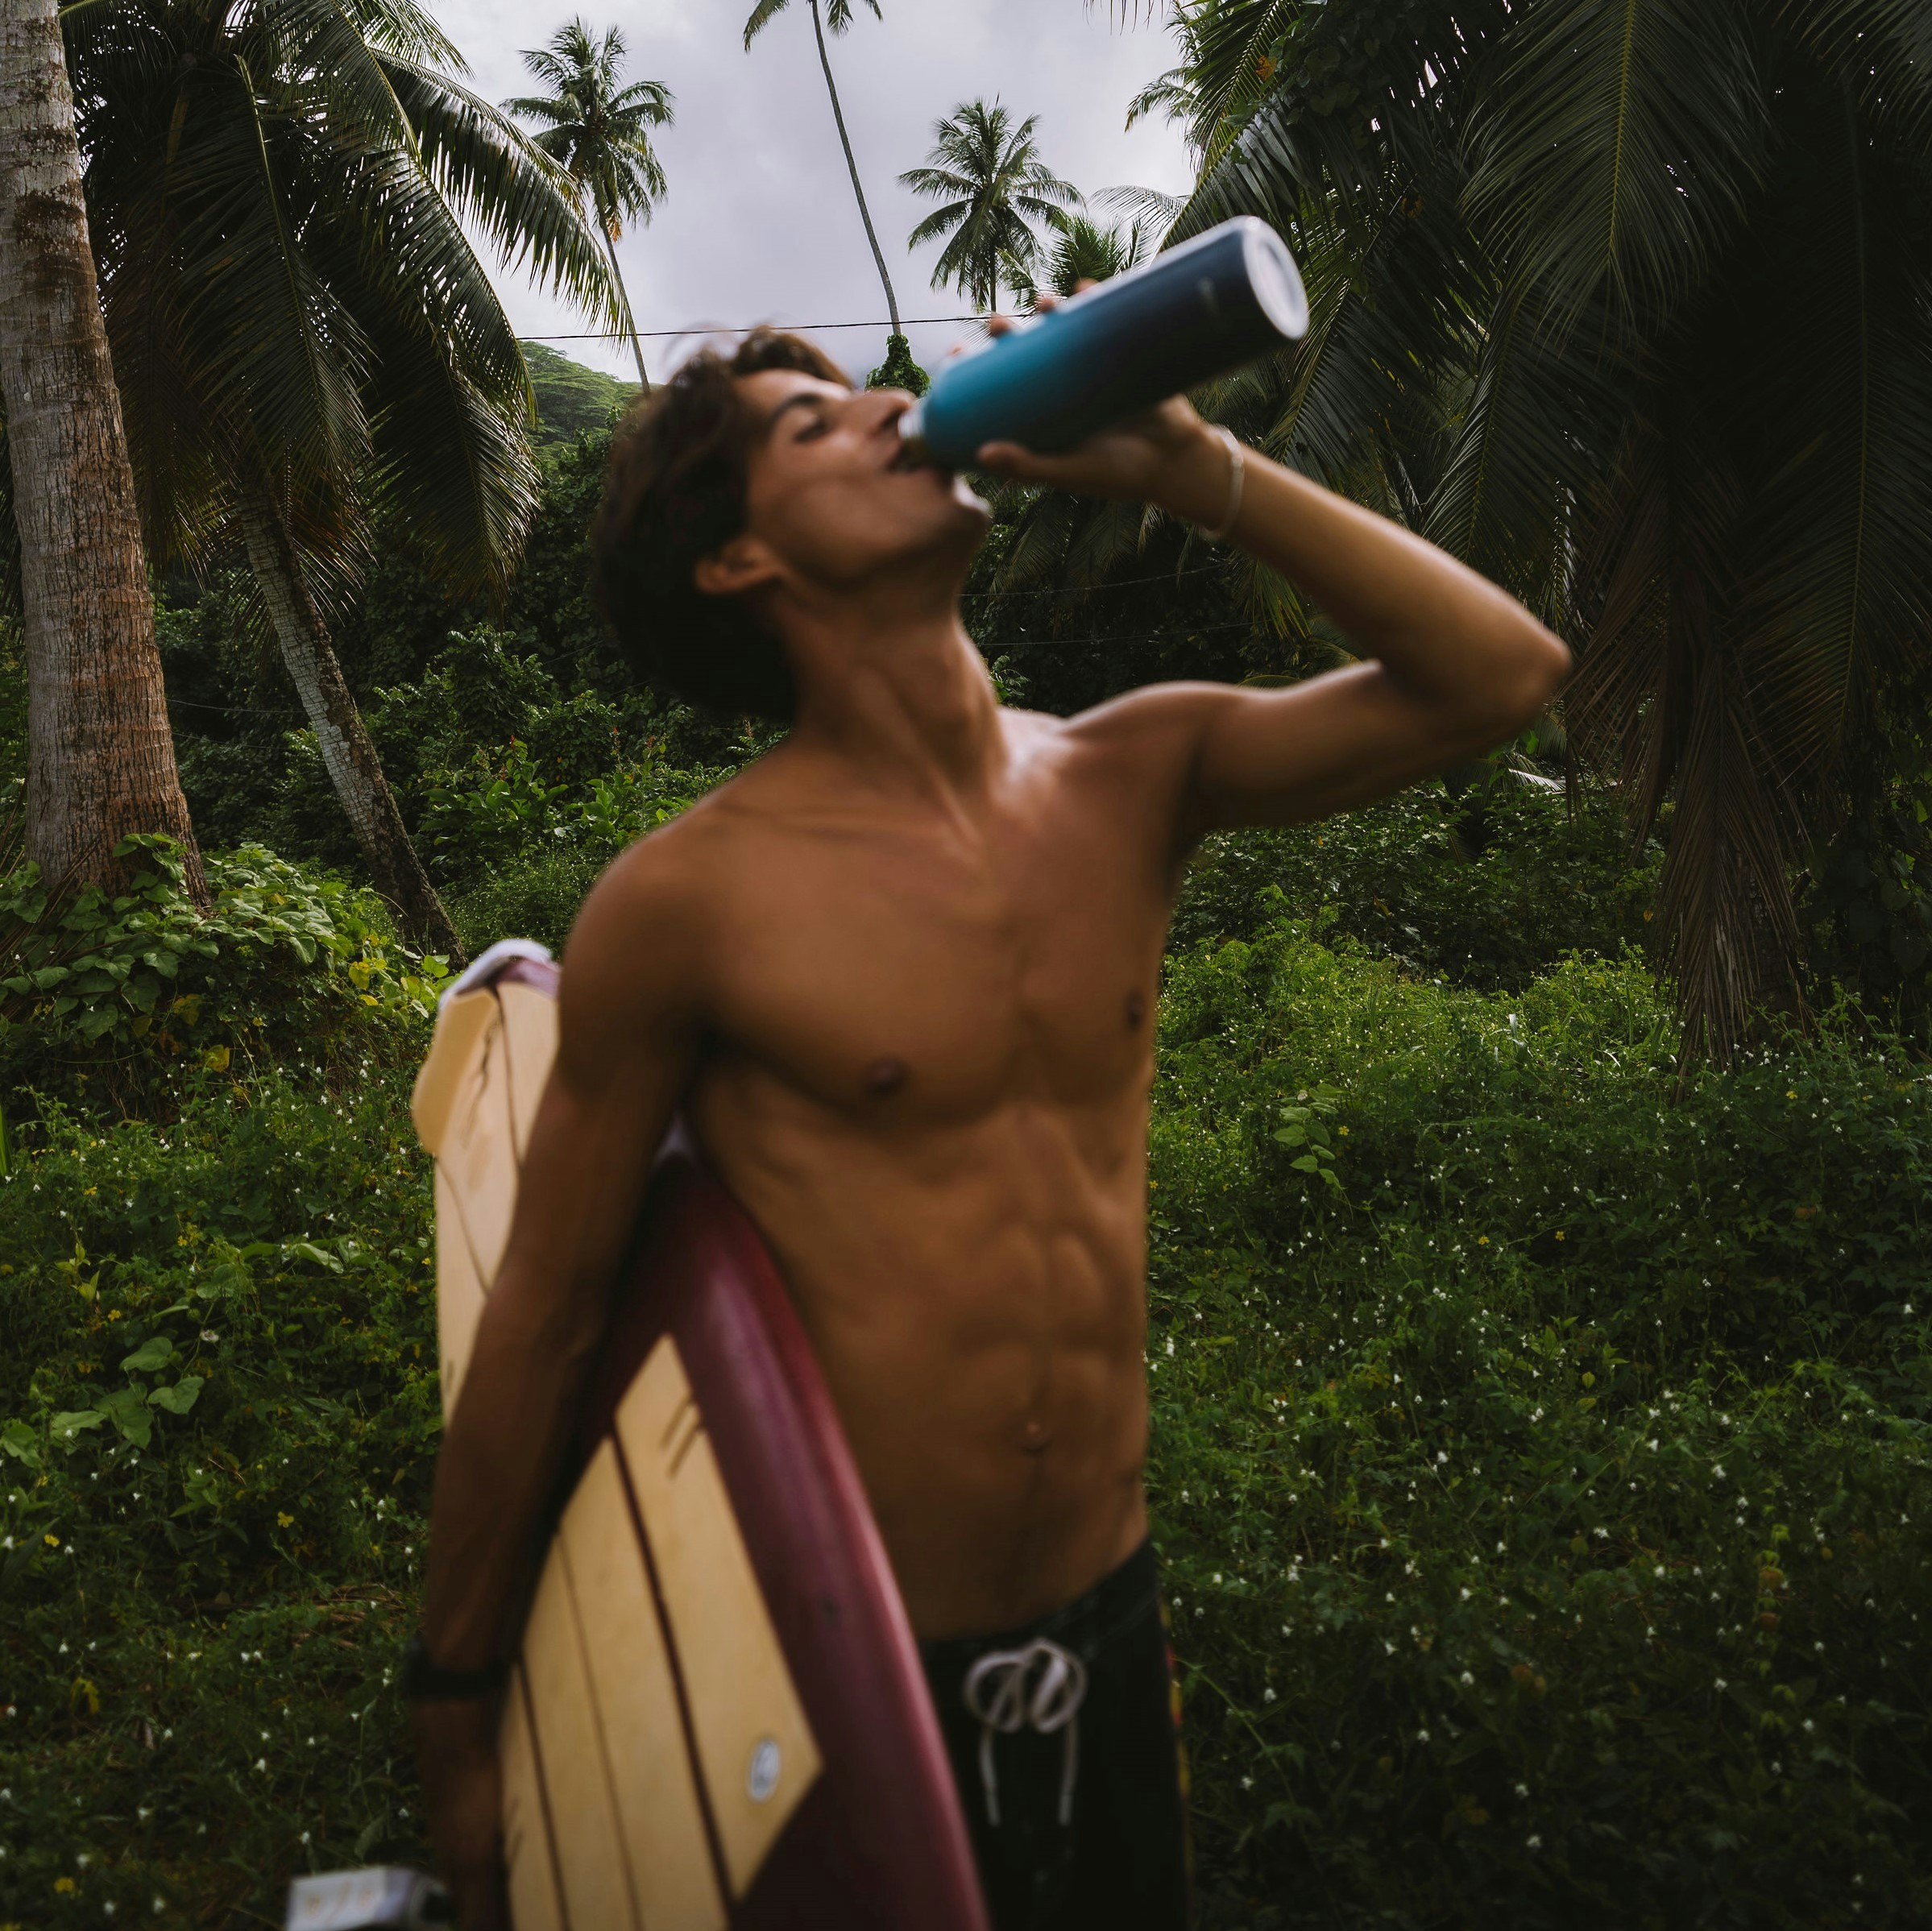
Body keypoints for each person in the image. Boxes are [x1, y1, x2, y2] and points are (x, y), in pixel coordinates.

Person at [408, 319, 1569, 1931]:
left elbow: (1500, 675)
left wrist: (1198, 470)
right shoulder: (687, 903)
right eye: (814, 423)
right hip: (840, 1676)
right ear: (739, 558)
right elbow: (545, 1314)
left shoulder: (1131, 771)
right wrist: (454, 1702)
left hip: (1107, 1617)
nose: (893, 405)